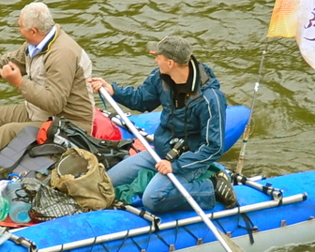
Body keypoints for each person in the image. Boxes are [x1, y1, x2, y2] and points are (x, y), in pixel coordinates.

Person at [88, 34, 226, 213]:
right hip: (162, 151)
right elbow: (142, 100)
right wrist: (113, 90)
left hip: (190, 159)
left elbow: (213, 147)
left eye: (158, 57)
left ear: (170, 63)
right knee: (106, 182)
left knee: (153, 199)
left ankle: (212, 188)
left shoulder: (210, 99)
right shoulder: (161, 77)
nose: (155, 60)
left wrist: (175, 166)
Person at [0, 1, 95, 161]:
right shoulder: (36, 43)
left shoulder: (61, 55)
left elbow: (55, 103)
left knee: (7, 131)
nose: (19, 30)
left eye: (20, 27)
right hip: (36, 111)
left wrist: (20, 82)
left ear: (33, 31)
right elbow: (10, 61)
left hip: (66, 123)